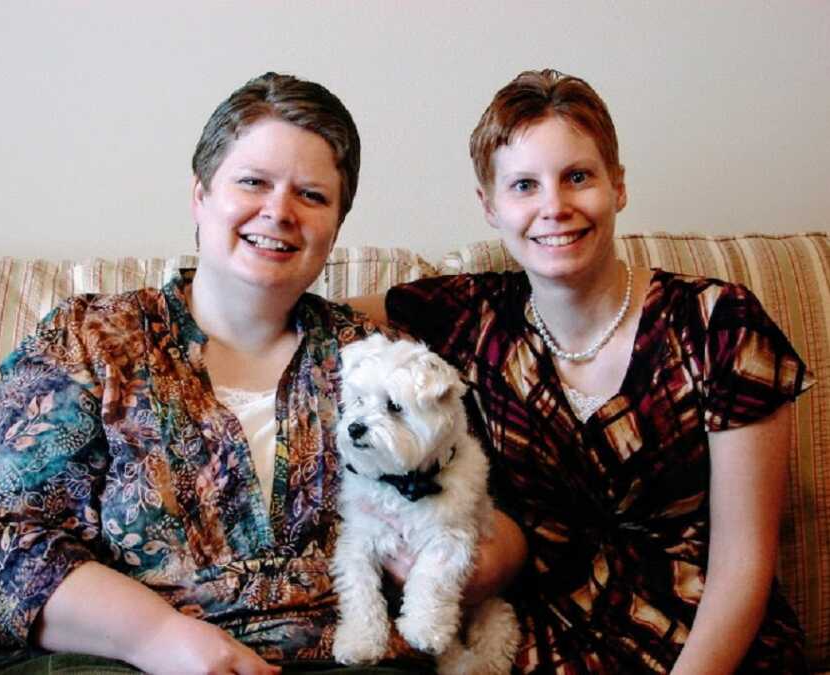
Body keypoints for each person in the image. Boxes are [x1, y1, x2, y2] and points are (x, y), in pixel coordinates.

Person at [0, 72, 526, 675]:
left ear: (336, 225)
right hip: (118, 661)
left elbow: (489, 502)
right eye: (253, 182)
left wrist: (485, 562)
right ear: (201, 195)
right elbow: (7, 546)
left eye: (311, 195)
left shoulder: (378, 359)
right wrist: (161, 639)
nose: (279, 211)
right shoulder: (89, 340)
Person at [349, 69, 814, 673]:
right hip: (554, 646)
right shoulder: (470, 316)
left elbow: (745, 561)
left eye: (577, 177)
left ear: (617, 186)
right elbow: (311, 313)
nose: (555, 207)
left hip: (713, 646)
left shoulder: (719, 324)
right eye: (524, 185)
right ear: (489, 206)